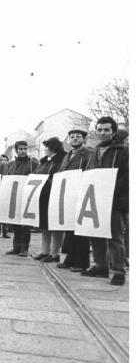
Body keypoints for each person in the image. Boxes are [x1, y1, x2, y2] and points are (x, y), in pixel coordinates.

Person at [82, 117, 129, 286]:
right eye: (99, 129)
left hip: (115, 201)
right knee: (95, 233)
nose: (102, 133)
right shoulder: (95, 151)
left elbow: (127, 177)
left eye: (106, 130)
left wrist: (112, 192)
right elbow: (89, 173)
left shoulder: (124, 151)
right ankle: (100, 265)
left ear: (114, 132)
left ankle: (118, 271)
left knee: (115, 237)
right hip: (96, 200)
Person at [56, 129, 93, 272]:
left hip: (81, 193)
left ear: (84, 139)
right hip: (67, 194)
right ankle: (70, 258)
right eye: (72, 137)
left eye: (78, 137)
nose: (75, 139)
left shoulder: (89, 154)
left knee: (80, 229)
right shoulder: (68, 155)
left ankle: (82, 262)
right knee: (69, 228)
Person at [32, 137, 67, 263]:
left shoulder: (61, 160)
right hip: (43, 195)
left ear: (52, 148)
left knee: (54, 225)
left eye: (46, 147)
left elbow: (60, 176)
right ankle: (45, 251)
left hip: (54, 195)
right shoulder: (45, 161)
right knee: (44, 225)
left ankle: (55, 253)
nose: (45, 149)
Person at [5, 141, 39, 257]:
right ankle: (16, 247)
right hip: (14, 197)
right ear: (16, 150)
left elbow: (37, 179)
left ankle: (24, 249)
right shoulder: (11, 164)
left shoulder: (33, 163)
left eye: (25, 148)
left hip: (27, 197)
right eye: (20, 149)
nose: (23, 151)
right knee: (15, 223)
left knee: (25, 225)